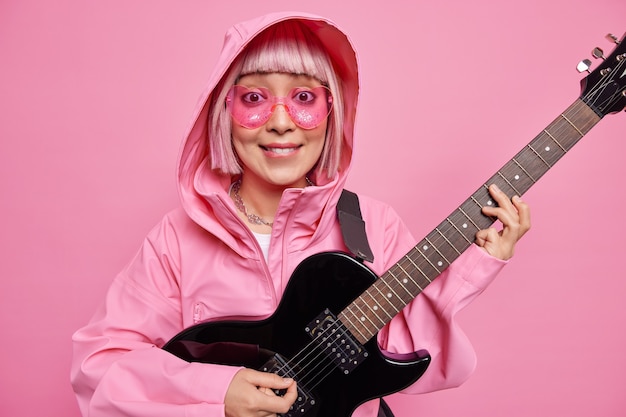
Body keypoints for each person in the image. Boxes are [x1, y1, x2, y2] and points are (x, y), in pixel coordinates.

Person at [71, 11, 530, 417]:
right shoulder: (175, 238)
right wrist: (217, 392)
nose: (280, 121)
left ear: (333, 112)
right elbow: (100, 368)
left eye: (304, 98)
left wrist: (475, 265)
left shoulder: (373, 225)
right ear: (224, 112)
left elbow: (415, 358)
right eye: (254, 99)